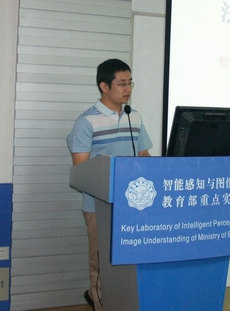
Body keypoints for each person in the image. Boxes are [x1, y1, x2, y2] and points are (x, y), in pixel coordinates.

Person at [66, 58, 153, 310]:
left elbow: (143, 155)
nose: (128, 89)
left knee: (129, 260)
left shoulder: (134, 117)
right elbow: (81, 170)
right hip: (99, 205)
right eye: (122, 83)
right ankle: (100, 304)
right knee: (101, 261)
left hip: (133, 204)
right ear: (104, 86)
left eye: (130, 83)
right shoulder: (87, 122)